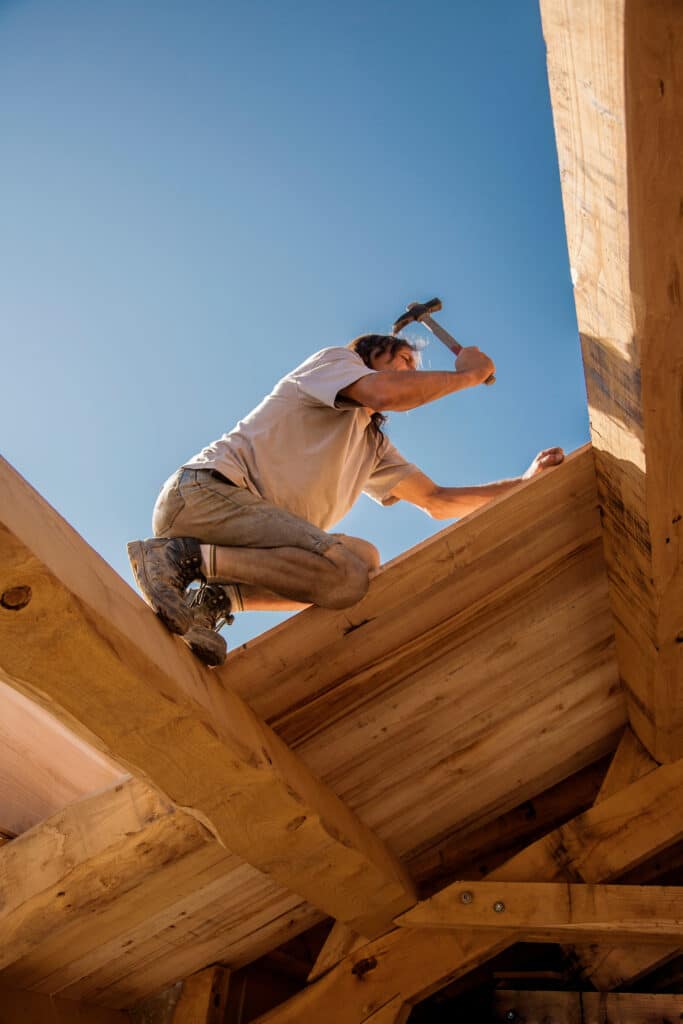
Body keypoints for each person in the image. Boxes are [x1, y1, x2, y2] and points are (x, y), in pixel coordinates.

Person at [128, 334, 564, 665]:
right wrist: (467, 376)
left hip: (239, 533)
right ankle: (180, 557)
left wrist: (525, 483)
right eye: (405, 360)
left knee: (361, 561)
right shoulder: (336, 363)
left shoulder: (372, 446)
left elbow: (437, 500)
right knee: (345, 569)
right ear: (372, 354)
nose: (412, 373)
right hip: (204, 496)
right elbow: (382, 392)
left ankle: (216, 599)